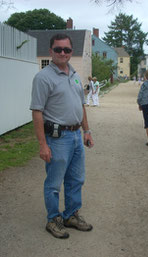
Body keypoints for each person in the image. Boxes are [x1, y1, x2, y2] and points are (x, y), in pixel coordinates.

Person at [30, 33, 94, 239]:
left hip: (76, 136)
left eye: (66, 49)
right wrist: (43, 145)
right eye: (58, 49)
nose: (63, 53)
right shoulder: (43, 77)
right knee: (54, 182)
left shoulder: (74, 74)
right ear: (51, 51)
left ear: (71, 52)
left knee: (76, 179)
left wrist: (87, 131)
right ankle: (53, 219)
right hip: (57, 139)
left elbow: (81, 104)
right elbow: (37, 111)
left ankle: (70, 215)